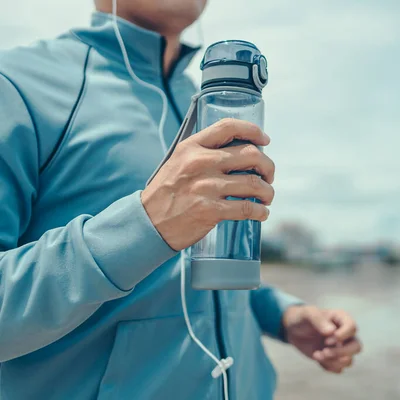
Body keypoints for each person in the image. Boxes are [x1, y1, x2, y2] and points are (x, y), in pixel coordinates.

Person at [0, 0, 362, 399]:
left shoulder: (205, 99)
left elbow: (188, 274)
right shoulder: (15, 85)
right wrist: (144, 225)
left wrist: (282, 314)